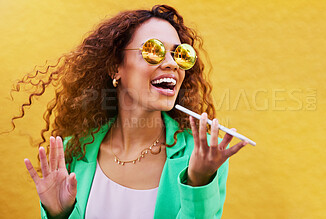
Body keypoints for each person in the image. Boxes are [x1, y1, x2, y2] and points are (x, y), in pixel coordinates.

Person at [18, 4, 248, 218]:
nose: (172, 64)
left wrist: (198, 182)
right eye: (153, 50)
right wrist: (59, 214)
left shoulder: (203, 155)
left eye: (180, 54)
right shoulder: (74, 151)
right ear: (115, 67)